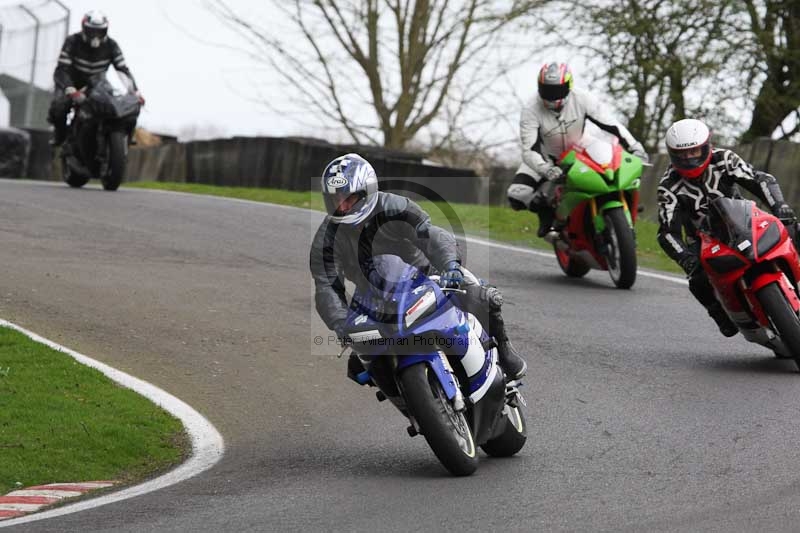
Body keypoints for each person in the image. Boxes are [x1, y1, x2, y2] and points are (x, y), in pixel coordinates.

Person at [309, 153, 527, 382]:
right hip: (373, 296)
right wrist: (340, 322)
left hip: (425, 275)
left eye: (349, 198)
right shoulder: (327, 238)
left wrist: (450, 267)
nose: (342, 206)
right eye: (335, 200)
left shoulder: (393, 206)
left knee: (480, 295)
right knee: (360, 367)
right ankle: (409, 400)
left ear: (367, 192)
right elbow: (326, 285)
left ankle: (503, 348)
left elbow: (430, 236)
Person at [657, 118, 797, 337]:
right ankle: (719, 314)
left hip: (743, 221)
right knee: (697, 278)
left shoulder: (724, 159)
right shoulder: (668, 186)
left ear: (706, 146)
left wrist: (780, 205)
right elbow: (666, 232)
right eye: (682, 155)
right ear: (672, 155)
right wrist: (684, 257)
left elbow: (760, 180)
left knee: (790, 226)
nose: (689, 159)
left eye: (694, 152)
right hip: (704, 240)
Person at [507, 62, 648, 237]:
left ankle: (623, 199)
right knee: (517, 194)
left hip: (581, 148)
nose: (552, 96)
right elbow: (529, 150)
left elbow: (611, 124)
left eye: (557, 91)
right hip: (546, 157)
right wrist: (546, 169)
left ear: (569, 86)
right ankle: (546, 213)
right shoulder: (530, 109)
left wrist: (635, 146)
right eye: (547, 90)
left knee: (612, 165)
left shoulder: (583, 98)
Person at [47, 10, 144, 146]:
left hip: (97, 84)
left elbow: (122, 70)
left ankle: (125, 137)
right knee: (59, 106)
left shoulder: (112, 45)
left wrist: (135, 91)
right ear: (84, 28)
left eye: (100, 31)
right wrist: (70, 89)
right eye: (92, 31)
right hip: (71, 83)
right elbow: (61, 70)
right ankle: (60, 137)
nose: (95, 35)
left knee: (123, 106)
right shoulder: (72, 41)